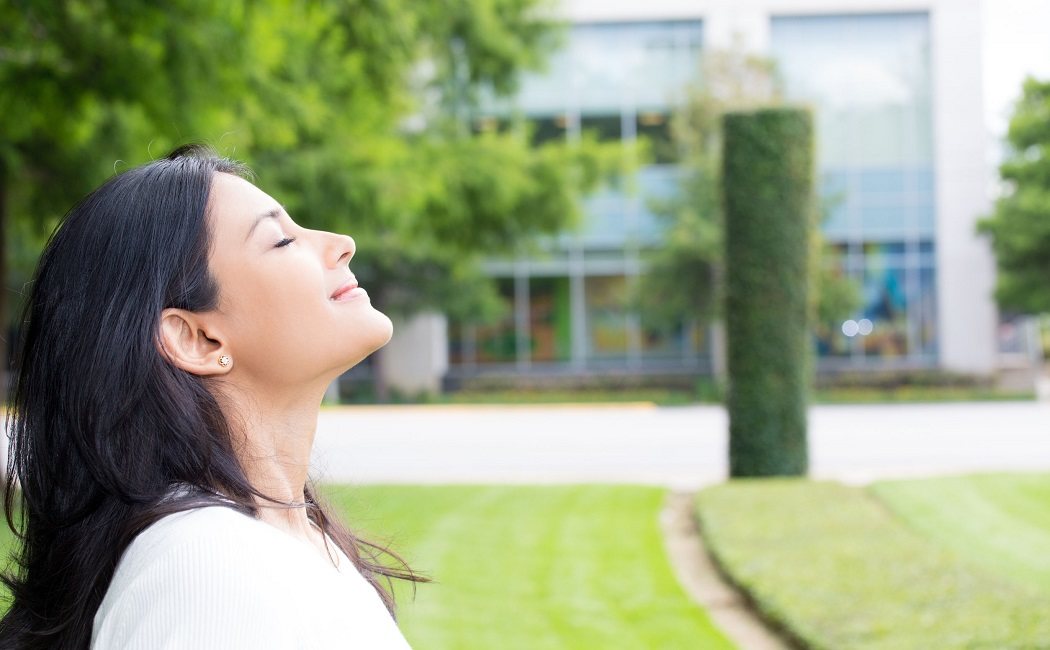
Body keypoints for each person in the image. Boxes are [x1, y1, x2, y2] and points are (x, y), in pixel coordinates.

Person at [0, 145, 424, 649]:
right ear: (196, 339)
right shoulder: (205, 566)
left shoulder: (285, 544)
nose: (342, 243)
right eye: (282, 240)